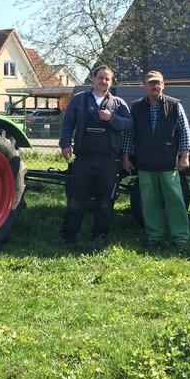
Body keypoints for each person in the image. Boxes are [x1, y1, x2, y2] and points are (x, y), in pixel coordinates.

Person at [50, 65, 133, 249]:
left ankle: (99, 237)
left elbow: (129, 124)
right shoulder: (79, 100)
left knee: (105, 201)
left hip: (109, 161)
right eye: (100, 77)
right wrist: (65, 145)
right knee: (76, 200)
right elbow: (68, 124)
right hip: (84, 158)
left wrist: (111, 118)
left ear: (111, 82)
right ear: (93, 79)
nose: (103, 81)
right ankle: (67, 237)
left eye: (107, 79)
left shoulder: (118, 104)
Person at [122, 71, 190, 250]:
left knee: (175, 202)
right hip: (145, 163)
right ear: (145, 86)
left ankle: (181, 238)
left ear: (163, 85)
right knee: (149, 203)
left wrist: (184, 156)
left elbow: (184, 132)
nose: (154, 86)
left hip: (168, 162)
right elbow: (130, 134)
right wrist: (126, 156)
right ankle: (154, 236)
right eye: (150, 83)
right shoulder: (136, 107)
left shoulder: (175, 105)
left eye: (157, 83)